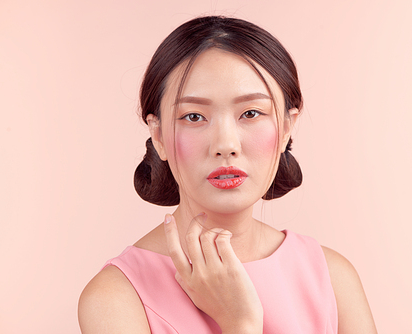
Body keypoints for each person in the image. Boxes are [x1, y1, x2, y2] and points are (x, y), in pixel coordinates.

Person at [78, 16, 377, 334]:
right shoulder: (116, 298)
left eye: (251, 113)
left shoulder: (332, 278)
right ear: (159, 137)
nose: (226, 145)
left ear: (287, 127)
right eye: (193, 116)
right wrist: (240, 323)